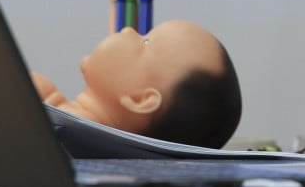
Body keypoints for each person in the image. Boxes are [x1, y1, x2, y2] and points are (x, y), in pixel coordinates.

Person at [31, 20, 241, 149]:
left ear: (140, 99)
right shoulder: (60, 113)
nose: (130, 30)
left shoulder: (75, 142)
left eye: (145, 41)